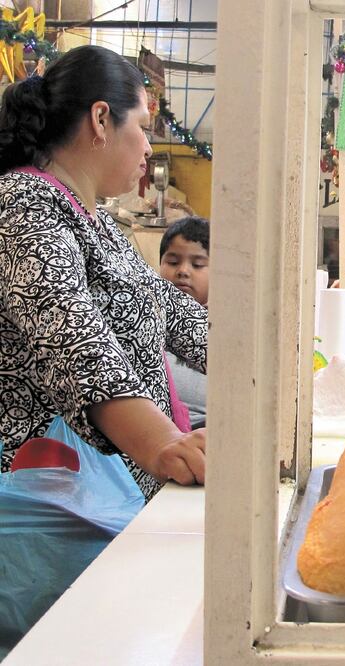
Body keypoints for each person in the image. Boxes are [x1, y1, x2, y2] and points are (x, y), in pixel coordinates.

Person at [0, 45, 207, 501]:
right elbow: (75, 342)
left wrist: (274, 364)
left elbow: (176, 314)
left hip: (114, 495)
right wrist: (163, 445)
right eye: (143, 128)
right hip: (58, 500)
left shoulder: (99, 224)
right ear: (100, 119)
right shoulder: (23, 204)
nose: (149, 147)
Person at [159, 216, 209, 428]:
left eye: (197, 264)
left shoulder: (222, 330)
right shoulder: (147, 322)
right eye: (172, 262)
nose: (183, 271)